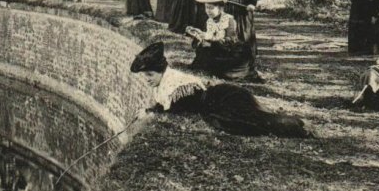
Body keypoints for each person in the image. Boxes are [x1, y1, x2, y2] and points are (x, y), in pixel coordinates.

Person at [130, 42, 311, 138]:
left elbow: (175, 112)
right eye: (145, 76)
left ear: (161, 71)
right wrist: (149, 110)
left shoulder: (177, 87)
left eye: (150, 75)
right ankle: (292, 122)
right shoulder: (167, 83)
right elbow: (165, 106)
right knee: (255, 119)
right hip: (219, 99)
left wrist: (152, 114)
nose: (147, 80)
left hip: (226, 100)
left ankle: (298, 126)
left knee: (255, 122)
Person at [185, 0, 251, 79]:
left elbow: (230, 40)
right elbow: (207, 36)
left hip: (228, 50)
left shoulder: (228, 20)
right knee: (203, 52)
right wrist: (198, 35)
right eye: (206, 8)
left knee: (223, 68)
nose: (208, 11)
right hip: (215, 48)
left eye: (211, 8)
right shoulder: (209, 21)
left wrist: (211, 40)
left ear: (220, 8)